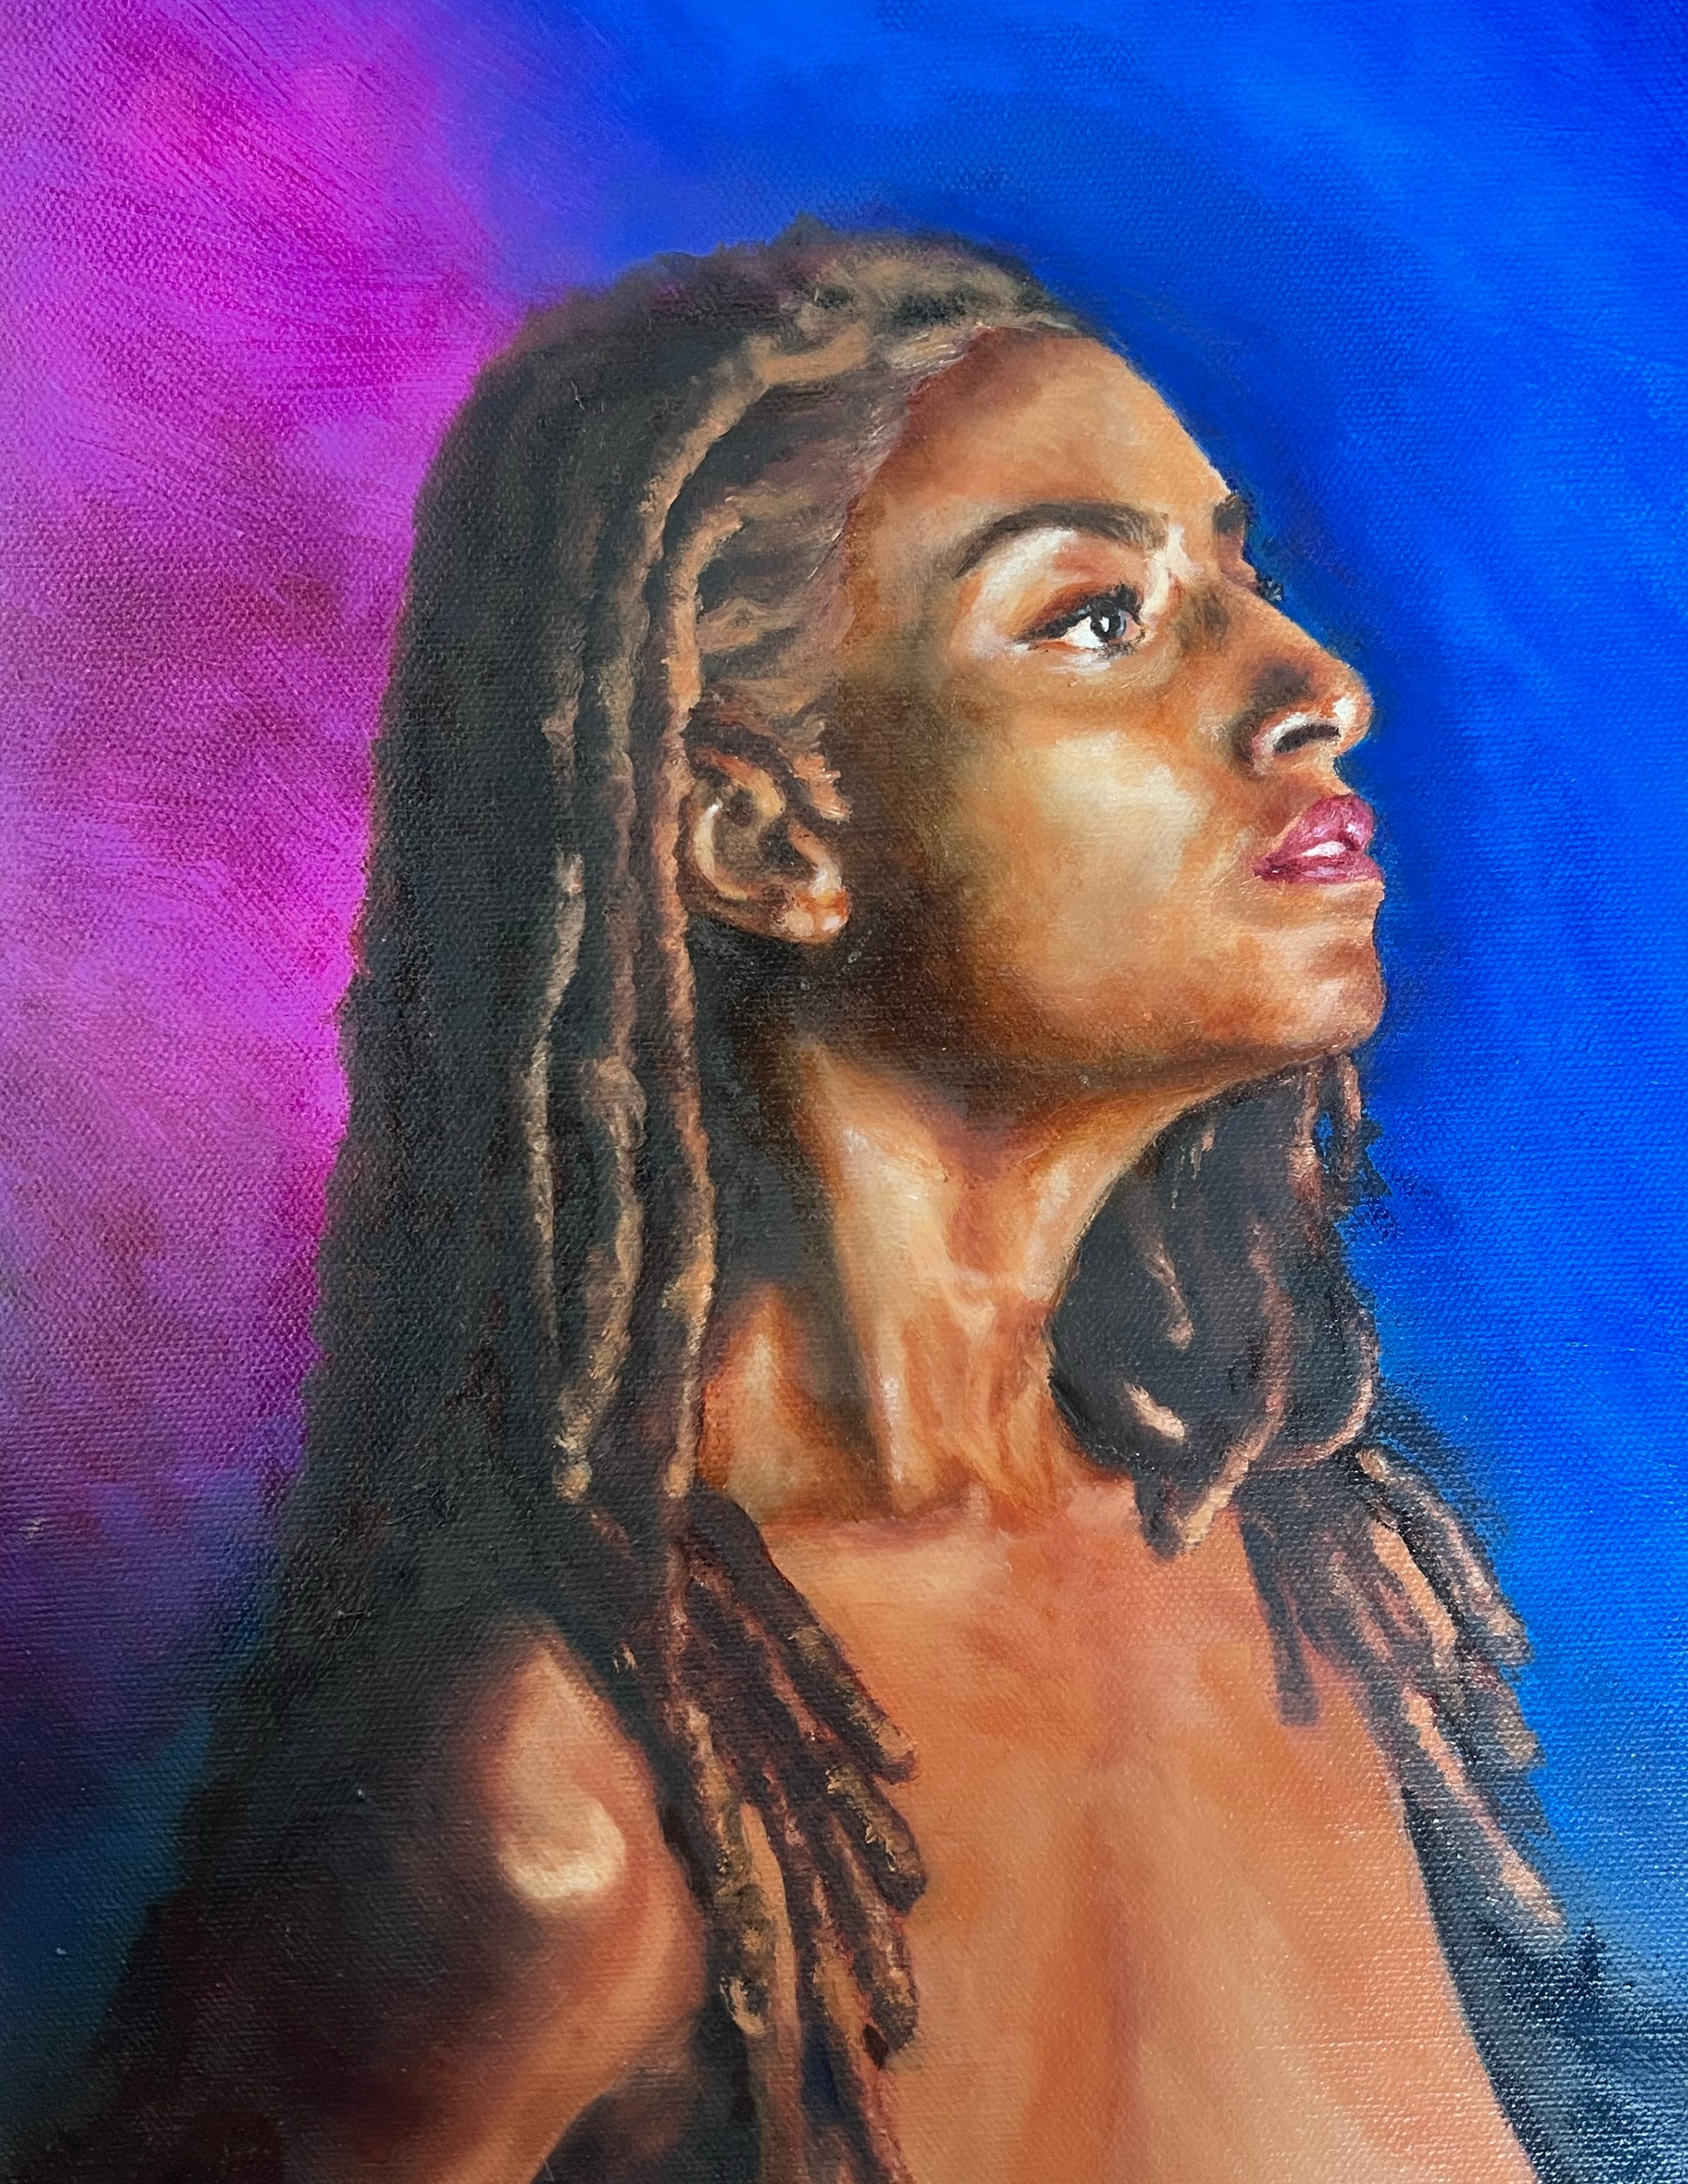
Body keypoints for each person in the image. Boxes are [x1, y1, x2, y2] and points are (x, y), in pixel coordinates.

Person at [22, 225, 1561, 2184]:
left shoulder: (1320, 1591)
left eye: (1235, 577)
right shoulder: (564, 1801)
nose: (1314, 685)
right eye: (1095, 615)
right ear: (760, 837)